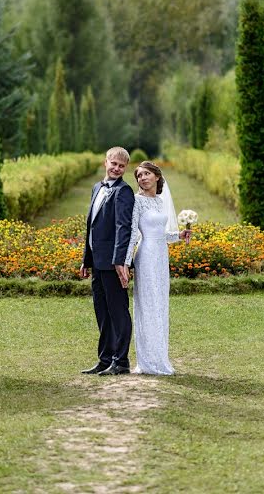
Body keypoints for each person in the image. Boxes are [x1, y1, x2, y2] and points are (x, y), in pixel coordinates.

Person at [124, 161, 190, 375]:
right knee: (148, 304)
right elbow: (134, 234)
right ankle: (147, 361)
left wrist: (178, 236)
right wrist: (126, 263)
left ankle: (160, 356)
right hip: (146, 256)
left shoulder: (160, 202)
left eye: (146, 174)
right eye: (139, 176)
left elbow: (161, 234)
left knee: (160, 305)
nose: (142, 178)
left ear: (157, 177)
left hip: (161, 256)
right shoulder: (137, 202)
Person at [79, 147, 135, 376]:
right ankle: (104, 360)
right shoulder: (96, 188)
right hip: (97, 261)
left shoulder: (124, 192)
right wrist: (86, 259)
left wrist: (120, 261)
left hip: (113, 264)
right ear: (106, 162)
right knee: (102, 312)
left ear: (125, 169)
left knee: (118, 312)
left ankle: (121, 362)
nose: (116, 169)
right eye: (113, 164)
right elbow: (91, 226)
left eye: (121, 166)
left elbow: (124, 229)